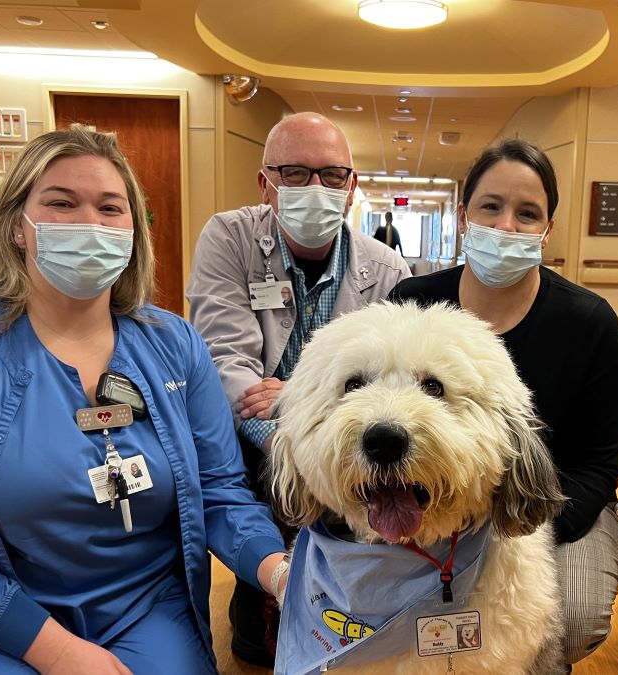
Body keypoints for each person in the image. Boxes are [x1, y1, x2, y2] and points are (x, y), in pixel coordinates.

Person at [0, 125, 288, 675]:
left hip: (144, 607)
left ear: (133, 231)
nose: (89, 223)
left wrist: (279, 571)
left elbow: (219, 491)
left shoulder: (175, 345)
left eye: (111, 209)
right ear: (18, 225)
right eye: (61, 203)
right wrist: (56, 653)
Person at [388, 138, 618, 670]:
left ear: (548, 229)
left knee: (567, 617)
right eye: (491, 207)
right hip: (428, 502)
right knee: (403, 615)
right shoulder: (412, 303)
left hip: (551, 508)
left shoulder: (589, 323)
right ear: (463, 215)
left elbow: (599, 465)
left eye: (527, 214)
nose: (506, 228)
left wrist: (511, 529)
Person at [186, 111, 410, 666]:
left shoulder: (385, 269)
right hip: (253, 437)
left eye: (333, 175)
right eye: (296, 173)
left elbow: (390, 380)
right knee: (254, 644)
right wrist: (291, 433)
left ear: (352, 187)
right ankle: (264, 588)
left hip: (341, 432)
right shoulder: (230, 238)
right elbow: (227, 360)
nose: (317, 188)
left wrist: (296, 402)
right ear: (266, 183)